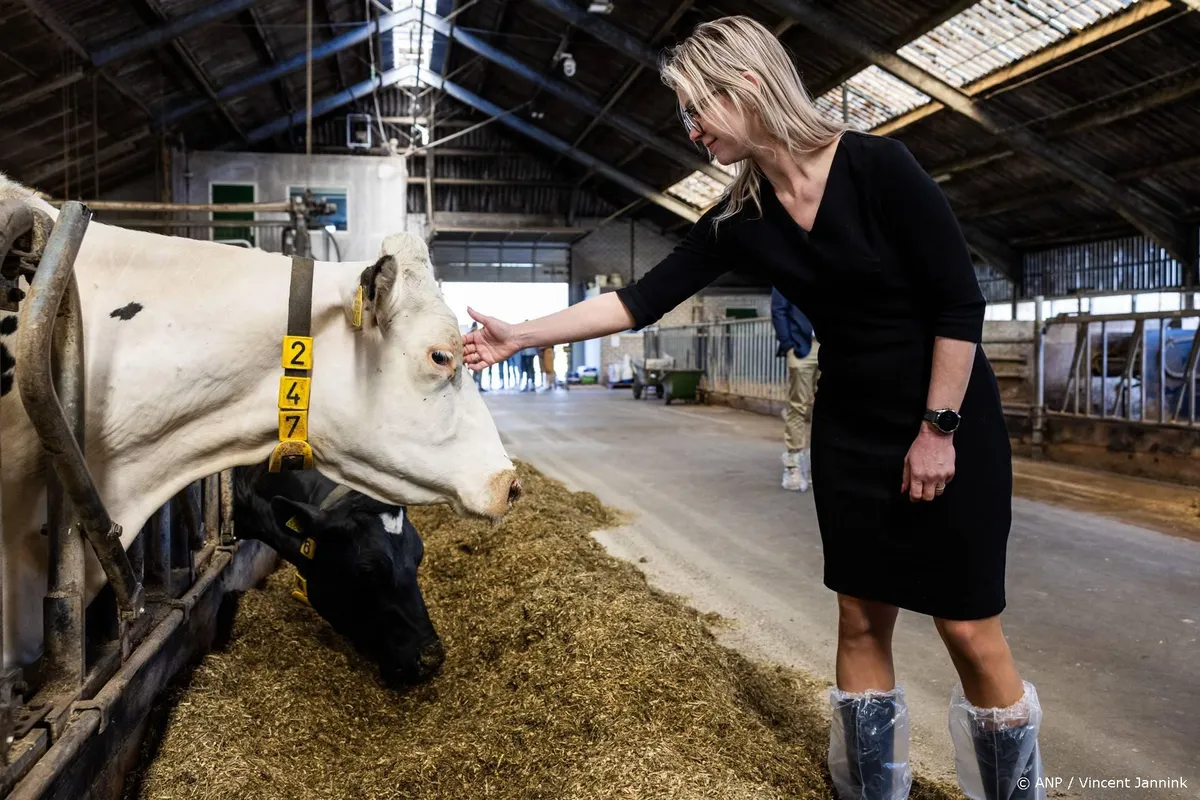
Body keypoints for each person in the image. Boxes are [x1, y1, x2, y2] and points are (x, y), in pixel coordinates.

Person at [463, 16, 1041, 800]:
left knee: (967, 626)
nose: (692, 130)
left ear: (749, 88)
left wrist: (937, 431)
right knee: (862, 618)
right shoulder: (742, 219)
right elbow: (637, 301)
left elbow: (957, 305)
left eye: (699, 109)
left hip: (945, 422)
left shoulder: (880, 168)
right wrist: (521, 335)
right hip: (850, 425)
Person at [771, 287, 818, 492]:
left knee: (830, 408)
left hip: (834, 346)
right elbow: (779, 309)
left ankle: (820, 464)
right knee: (798, 406)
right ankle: (794, 466)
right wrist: (789, 344)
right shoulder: (790, 261)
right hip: (802, 348)